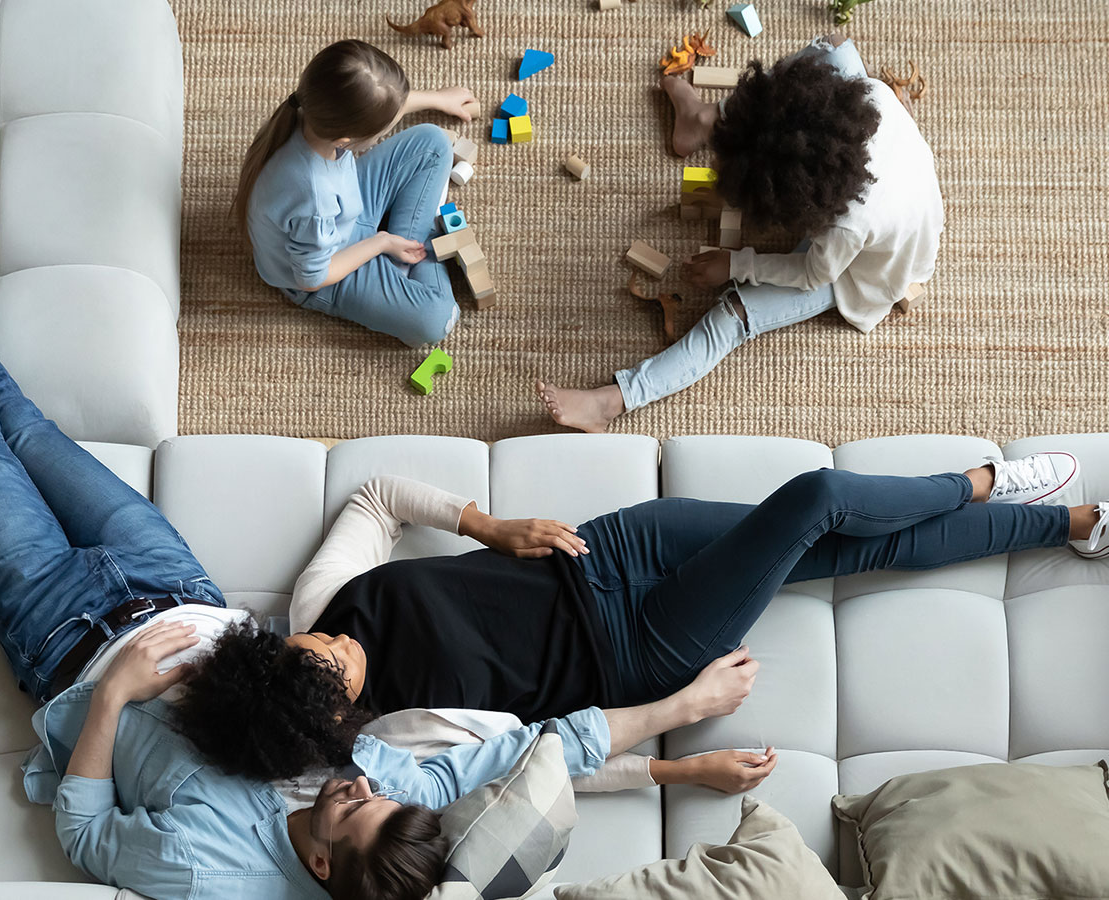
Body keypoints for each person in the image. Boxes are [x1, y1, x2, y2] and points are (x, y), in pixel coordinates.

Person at [0, 183, 773, 900]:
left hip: (63, 639)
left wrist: (110, 699)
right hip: (170, 582)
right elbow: (549, 749)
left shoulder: (212, 870)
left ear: (321, 866)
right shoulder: (394, 795)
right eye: (372, 794)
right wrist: (679, 717)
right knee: (21, 424)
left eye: (353, 810)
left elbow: (87, 836)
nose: (360, 783)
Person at [180, 446, 1104, 783]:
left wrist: (491, 527)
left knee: (845, 544)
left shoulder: (325, 603)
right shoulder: (400, 741)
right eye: (328, 665)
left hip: (610, 551)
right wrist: (679, 740)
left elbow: (377, 497)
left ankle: (1065, 523)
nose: (329, 641)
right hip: (647, 646)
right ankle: (986, 480)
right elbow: (550, 761)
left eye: (304, 642)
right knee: (822, 498)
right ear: (333, 713)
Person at [535, 34, 945, 432]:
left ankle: (610, 402)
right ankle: (700, 119)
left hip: (860, 270)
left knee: (732, 316)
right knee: (836, 48)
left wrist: (737, 264)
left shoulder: (847, 226)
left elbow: (811, 274)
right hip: (881, 188)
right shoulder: (869, 94)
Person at [233, 38, 478, 347]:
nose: (384, 137)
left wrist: (435, 99)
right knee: (437, 319)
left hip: (345, 212)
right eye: (381, 133)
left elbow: (379, 102)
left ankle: (400, 263)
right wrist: (381, 242)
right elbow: (312, 278)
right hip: (326, 268)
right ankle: (417, 251)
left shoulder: (309, 110)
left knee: (433, 143)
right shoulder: (314, 199)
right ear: (345, 140)